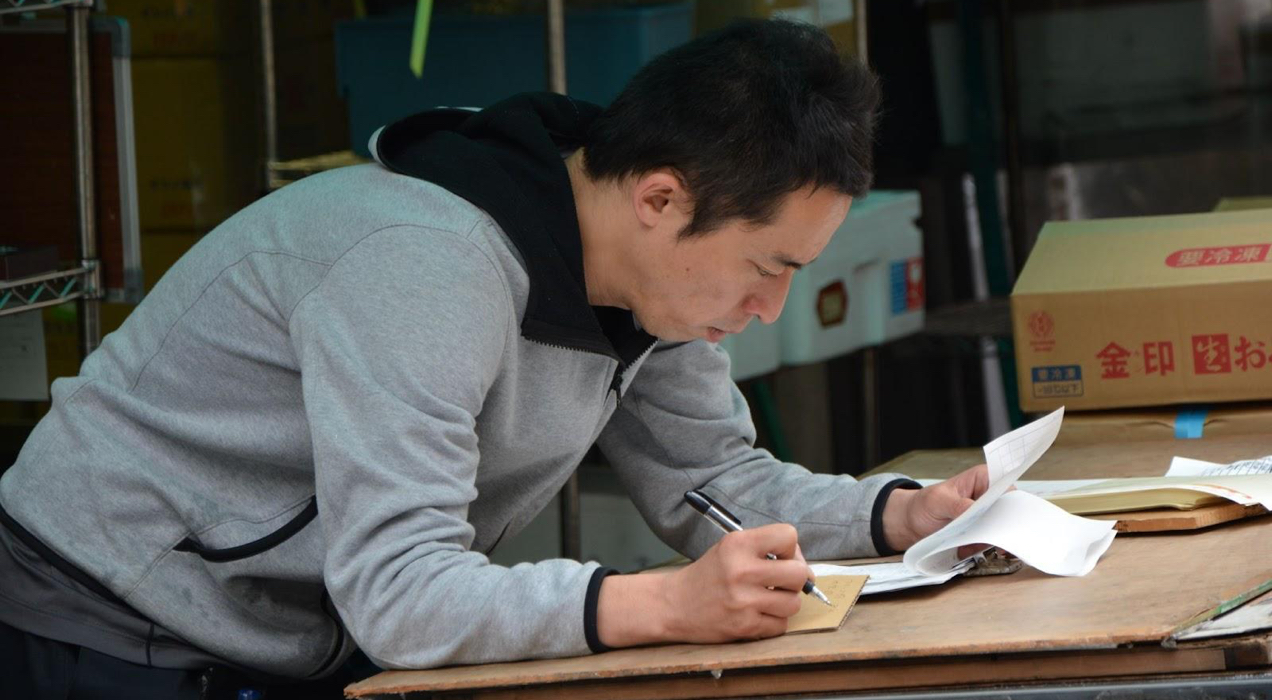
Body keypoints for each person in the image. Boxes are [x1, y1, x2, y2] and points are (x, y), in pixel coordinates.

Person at [0, 17, 991, 698]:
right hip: (109, 612)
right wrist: (661, 603)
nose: (768, 307)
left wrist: (902, 513)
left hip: (293, 620)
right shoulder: (424, 268)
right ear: (660, 198)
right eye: (765, 267)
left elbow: (715, 478)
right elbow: (402, 590)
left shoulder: (649, 280)